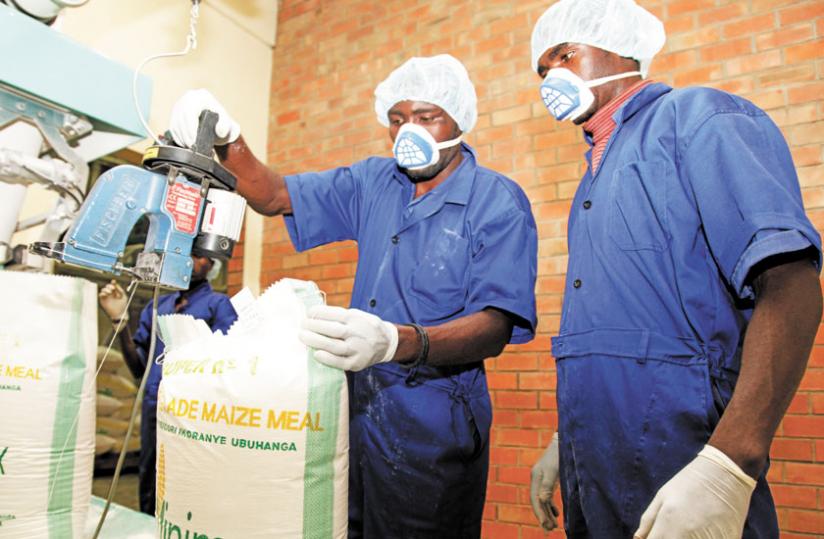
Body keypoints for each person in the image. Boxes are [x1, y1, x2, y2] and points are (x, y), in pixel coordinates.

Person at [168, 54, 538, 538]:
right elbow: (273, 195)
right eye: (398, 119)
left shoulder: (495, 201)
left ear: (459, 120)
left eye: (427, 118)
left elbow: (496, 325)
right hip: (359, 413)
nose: (410, 131)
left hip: (434, 425)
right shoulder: (374, 183)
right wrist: (228, 140)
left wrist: (395, 342)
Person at [527, 1, 823, 538]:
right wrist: (561, 439)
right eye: (543, 70)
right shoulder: (594, 179)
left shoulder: (700, 120)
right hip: (597, 467)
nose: (553, 78)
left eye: (566, 55)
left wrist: (731, 465)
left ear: (622, 49)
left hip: (688, 459)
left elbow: (792, 286)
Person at [98, 255, 237, 515]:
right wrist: (121, 323)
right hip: (156, 406)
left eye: (200, 256)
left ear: (212, 265)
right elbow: (138, 367)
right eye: (187, 253)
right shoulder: (157, 307)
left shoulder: (218, 305)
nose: (191, 260)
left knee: (191, 477)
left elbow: (229, 363)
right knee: (150, 476)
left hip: (197, 411)